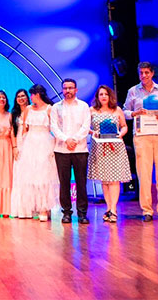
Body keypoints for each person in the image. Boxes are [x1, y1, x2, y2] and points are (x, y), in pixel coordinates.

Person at [123, 62, 158, 223]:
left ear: (152, 73)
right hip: (141, 135)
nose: (144, 75)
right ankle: (147, 210)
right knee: (144, 174)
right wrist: (134, 113)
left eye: (146, 72)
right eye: (141, 73)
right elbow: (124, 112)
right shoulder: (133, 91)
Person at [11, 85, 58, 221]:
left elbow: (55, 129)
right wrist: (22, 146)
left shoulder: (49, 109)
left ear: (38, 94)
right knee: (31, 177)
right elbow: (25, 129)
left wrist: (54, 148)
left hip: (45, 142)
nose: (30, 97)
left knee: (44, 177)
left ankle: (44, 208)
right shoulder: (28, 109)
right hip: (30, 143)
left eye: (32, 95)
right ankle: (34, 207)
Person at [88, 85, 131, 223]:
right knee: (105, 180)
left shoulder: (117, 110)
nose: (103, 96)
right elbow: (86, 127)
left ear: (110, 96)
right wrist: (92, 132)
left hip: (115, 148)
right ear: (97, 97)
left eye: (106, 94)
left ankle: (113, 210)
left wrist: (120, 134)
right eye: (101, 94)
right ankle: (108, 208)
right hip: (99, 148)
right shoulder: (92, 110)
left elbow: (124, 126)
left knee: (114, 179)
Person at [51, 78, 91, 225]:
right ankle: (66, 212)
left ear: (76, 90)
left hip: (80, 149)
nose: (68, 90)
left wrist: (74, 139)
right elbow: (54, 127)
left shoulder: (83, 106)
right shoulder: (56, 107)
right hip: (61, 149)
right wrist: (66, 140)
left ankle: (82, 213)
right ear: (62, 90)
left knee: (81, 182)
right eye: (65, 88)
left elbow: (86, 126)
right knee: (64, 183)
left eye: (70, 88)